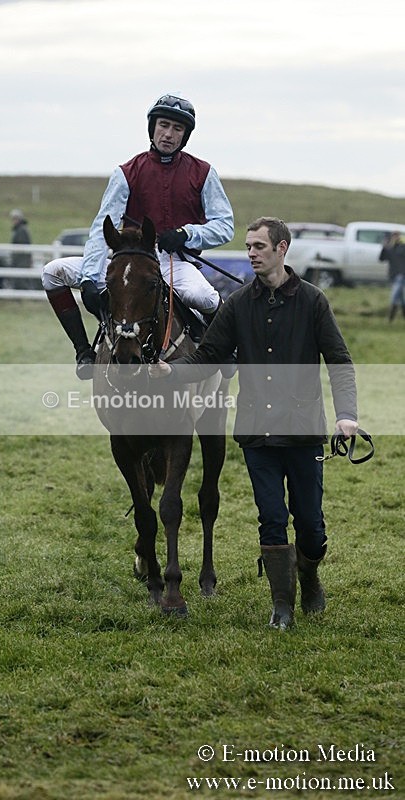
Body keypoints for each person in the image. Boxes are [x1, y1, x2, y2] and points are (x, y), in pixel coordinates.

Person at [149, 217, 359, 630]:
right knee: (271, 518)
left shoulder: (313, 301)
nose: (251, 253)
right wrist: (170, 371)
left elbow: (339, 359)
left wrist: (347, 415)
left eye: (259, 246)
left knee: (312, 526)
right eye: (248, 246)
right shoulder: (238, 304)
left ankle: (310, 574)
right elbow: (208, 355)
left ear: (282, 249)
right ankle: (282, 606)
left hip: (303, 432)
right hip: (257, 434)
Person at [41, 93, 235, 378]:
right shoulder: (125, 173)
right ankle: (84, 351)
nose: (168, 134)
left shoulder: (204, 173)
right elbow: (100, 228)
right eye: (164, 125)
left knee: (204, 296)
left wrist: (186, 234)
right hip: (127, 260)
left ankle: (223, 352)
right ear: (152, 127)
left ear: (185, 136)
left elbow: (225, 225)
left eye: (177, 129)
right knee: (51, 273)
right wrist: (90, 279)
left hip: (172, 263)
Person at [379, 231, 405, 321]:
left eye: (397, 236)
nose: (395, 238)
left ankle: (390, 318)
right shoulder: (390, 248)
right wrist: (384, 247)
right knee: (401, 297)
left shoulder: (402, 247)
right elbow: (382, 258)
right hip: (393, 275)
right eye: (394, 236)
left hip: (401, 275)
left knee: (395, 295)